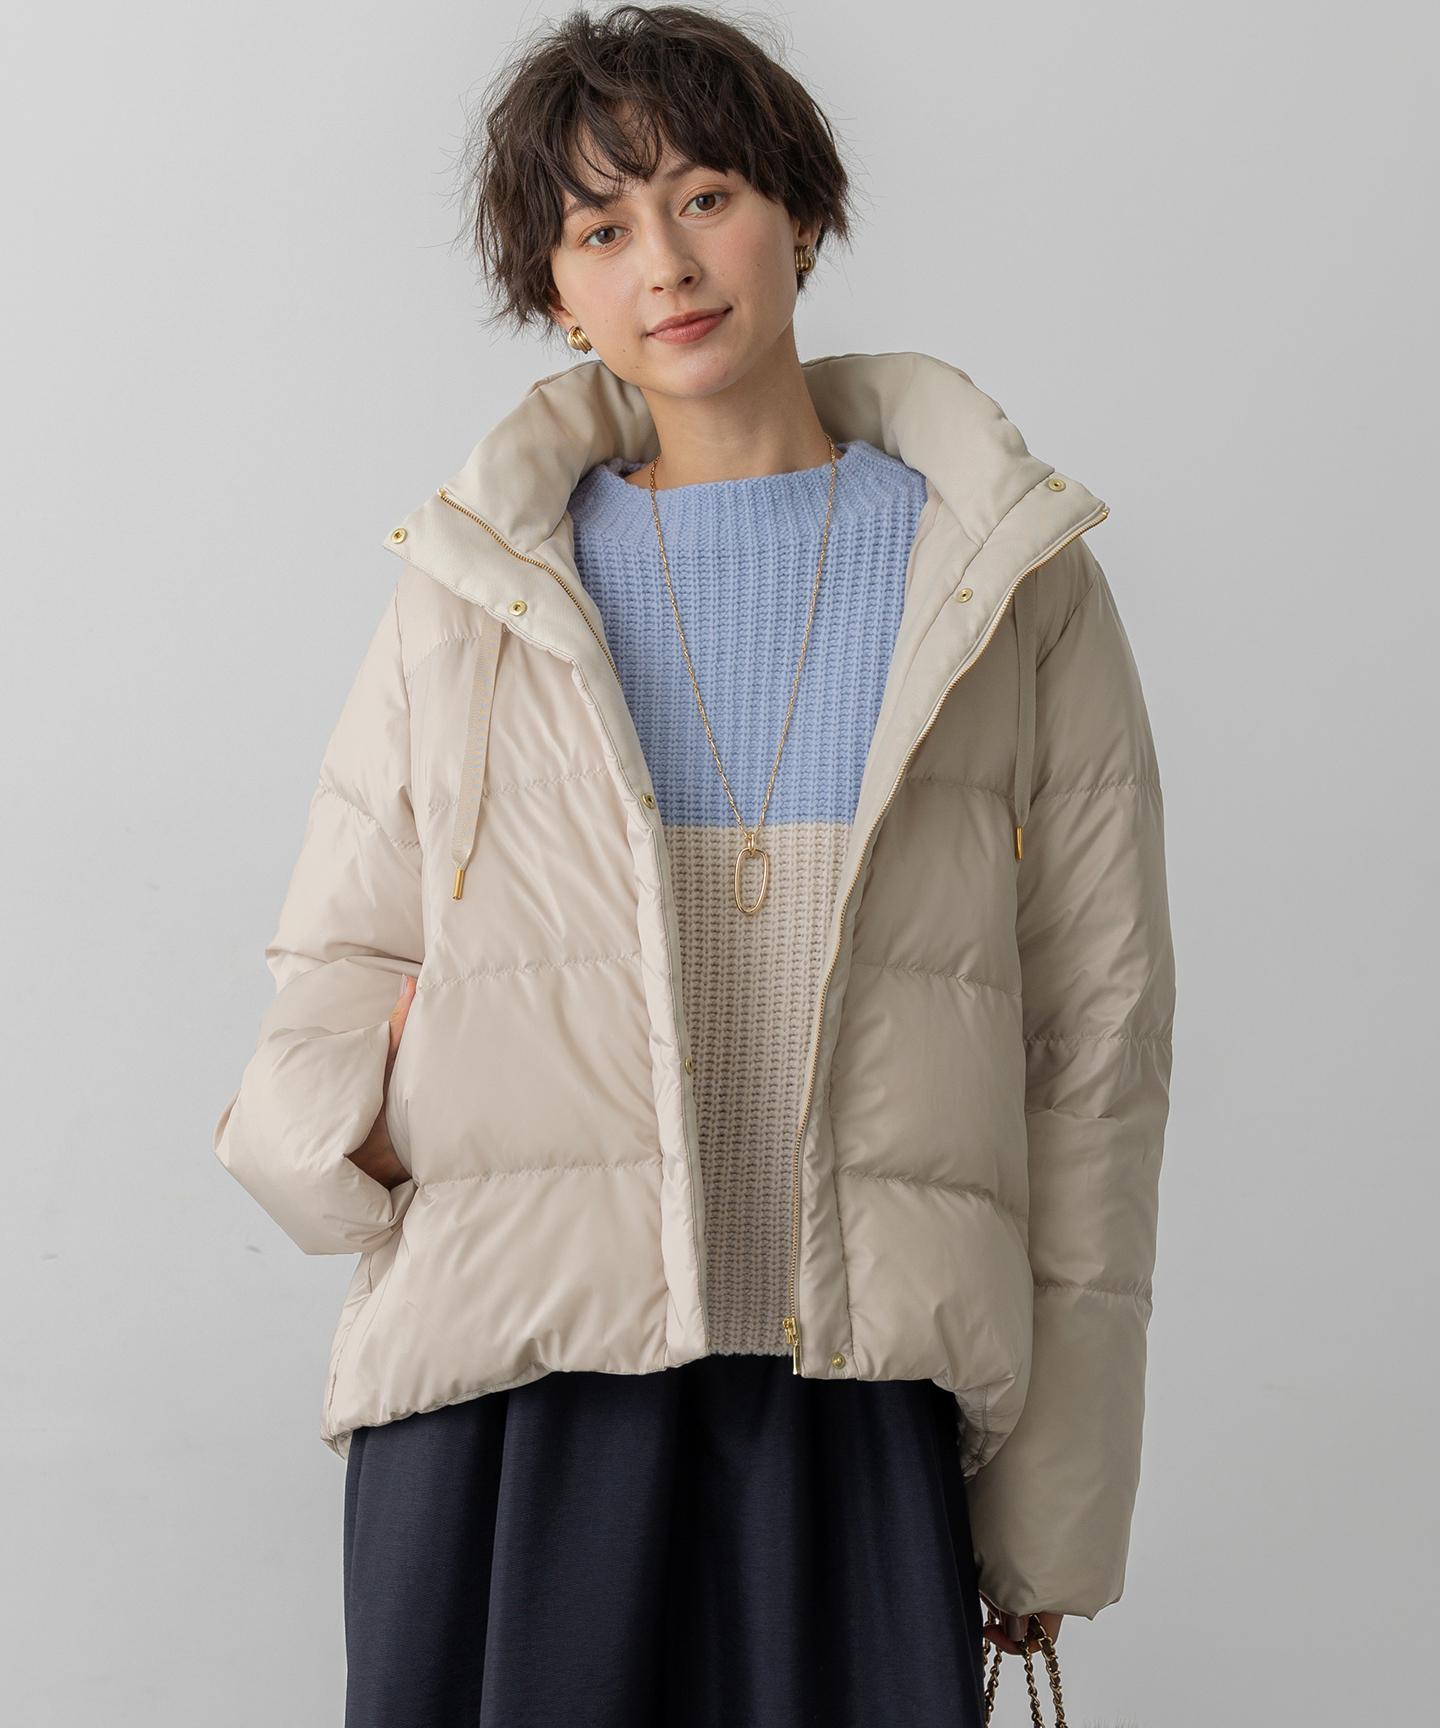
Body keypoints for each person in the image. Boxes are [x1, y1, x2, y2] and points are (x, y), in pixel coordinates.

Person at [212, 6, 1177, 1724]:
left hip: (858, 1393)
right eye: (599, 229)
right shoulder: (475, 589)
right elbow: (330, 972)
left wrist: (1054, 1511)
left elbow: (1094, 1050)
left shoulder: (1004, 581)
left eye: (706, 196)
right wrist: (366, 1128)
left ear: (802, 216)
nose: (663, 261)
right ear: (554, 294)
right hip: (511, 1388)